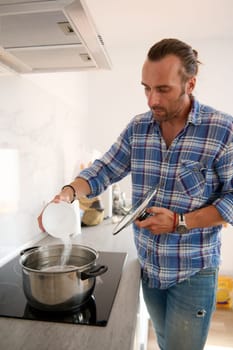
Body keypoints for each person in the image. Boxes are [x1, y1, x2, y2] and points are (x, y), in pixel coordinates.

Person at [38, 38, 233, 350]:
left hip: (193, 271)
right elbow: (103, 169)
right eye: (146, 88)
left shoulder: (222, 130)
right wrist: (68, 193)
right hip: (149, 268)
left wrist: (180, 221)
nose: (151, 99)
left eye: (163, 89)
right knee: (166, 341)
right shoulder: (138, 128)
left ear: (190, 84)